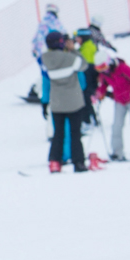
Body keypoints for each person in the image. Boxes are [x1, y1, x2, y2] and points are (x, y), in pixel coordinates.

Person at [40, 30, 88, 172]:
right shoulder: (69, 58)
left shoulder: (44, 59)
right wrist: (73, 50)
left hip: (57, 103)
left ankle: (55, 161)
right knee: (75, 134)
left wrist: (44, 101)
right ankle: (78, 162)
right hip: (74, 102)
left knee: (58, 134)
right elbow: (83, 65)